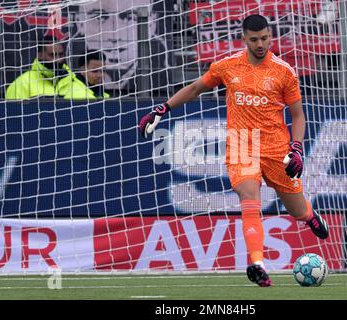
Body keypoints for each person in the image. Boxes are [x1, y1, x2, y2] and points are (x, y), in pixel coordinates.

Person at [139, 14, 329, 287]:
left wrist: (296, 148)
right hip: (241, 142)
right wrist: (162, 109)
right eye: (254, 39)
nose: (261, 44)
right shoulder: (227, 66)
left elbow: (298, 116)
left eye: (265, 38)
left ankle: (309, 216)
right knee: (249, 195)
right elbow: (194, 88)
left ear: (270, 36)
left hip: (276, 147)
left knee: (297, 210)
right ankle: (257, 263)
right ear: (244, 39)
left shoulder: (283, 71)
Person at [5, 35, 71, 100]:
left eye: (61, 54)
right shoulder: (21, 84)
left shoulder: (73, 79)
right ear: (39, 55)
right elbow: (14, 110)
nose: (58, 60)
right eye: (52, 55)